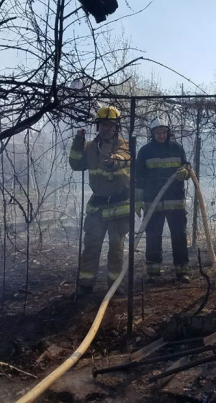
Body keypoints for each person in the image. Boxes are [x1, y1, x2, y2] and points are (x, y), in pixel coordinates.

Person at [69, 106, 131, 296]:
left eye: (111, 125)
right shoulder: (89, 147)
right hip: (97, 205)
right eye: (103, 125)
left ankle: (115, 285)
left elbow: (124, 158)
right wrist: (78, 142)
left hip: (119, 206)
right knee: (91, 245)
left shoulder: (124, 144)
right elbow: (76, 164)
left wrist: (113, 161)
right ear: (98, 126)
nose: (107, 128)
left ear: (117, 127)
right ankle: (85, 284)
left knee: (116, 247)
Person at [136, 116, 191, 283]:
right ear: (152, 134)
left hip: (175, 201)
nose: (161, 136)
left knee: (179, 235)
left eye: (164, 132)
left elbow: (186, 166)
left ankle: (182, 270)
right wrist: (138, 199)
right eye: (158, 133)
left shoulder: (177, 148)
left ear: (168, 132)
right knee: (153, 236)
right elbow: (139, 177)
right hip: (153, 202)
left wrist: (186, 173)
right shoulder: (145, 152)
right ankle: (153, 272)